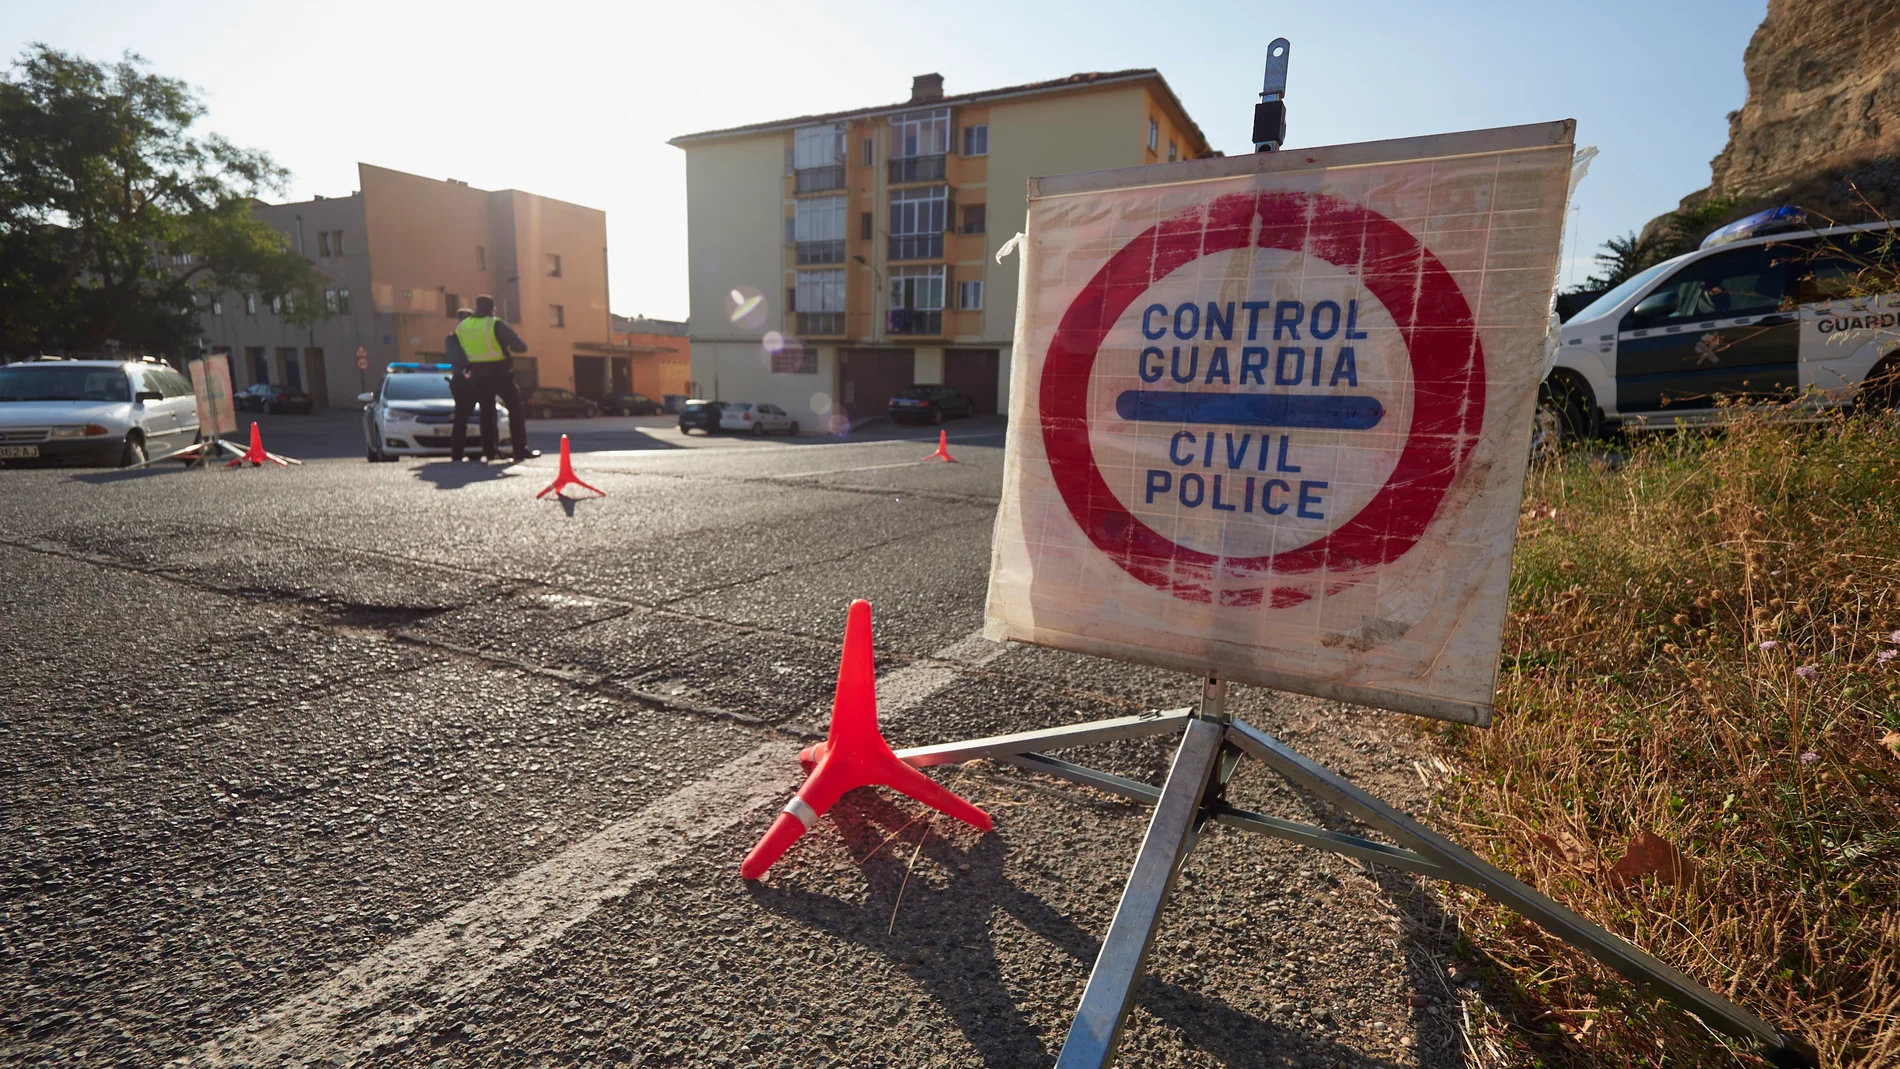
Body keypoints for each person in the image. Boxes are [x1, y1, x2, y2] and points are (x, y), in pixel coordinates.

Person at [453, 294, 535, 462]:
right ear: (493, 309)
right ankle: (519, 450)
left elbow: (458, 351)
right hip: (499, 372)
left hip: (477, 373)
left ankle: (489, 451)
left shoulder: (462, 327)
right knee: (515, 409)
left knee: (486, 412)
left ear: (475, 307)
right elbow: (520, 347)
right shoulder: (494, 323)